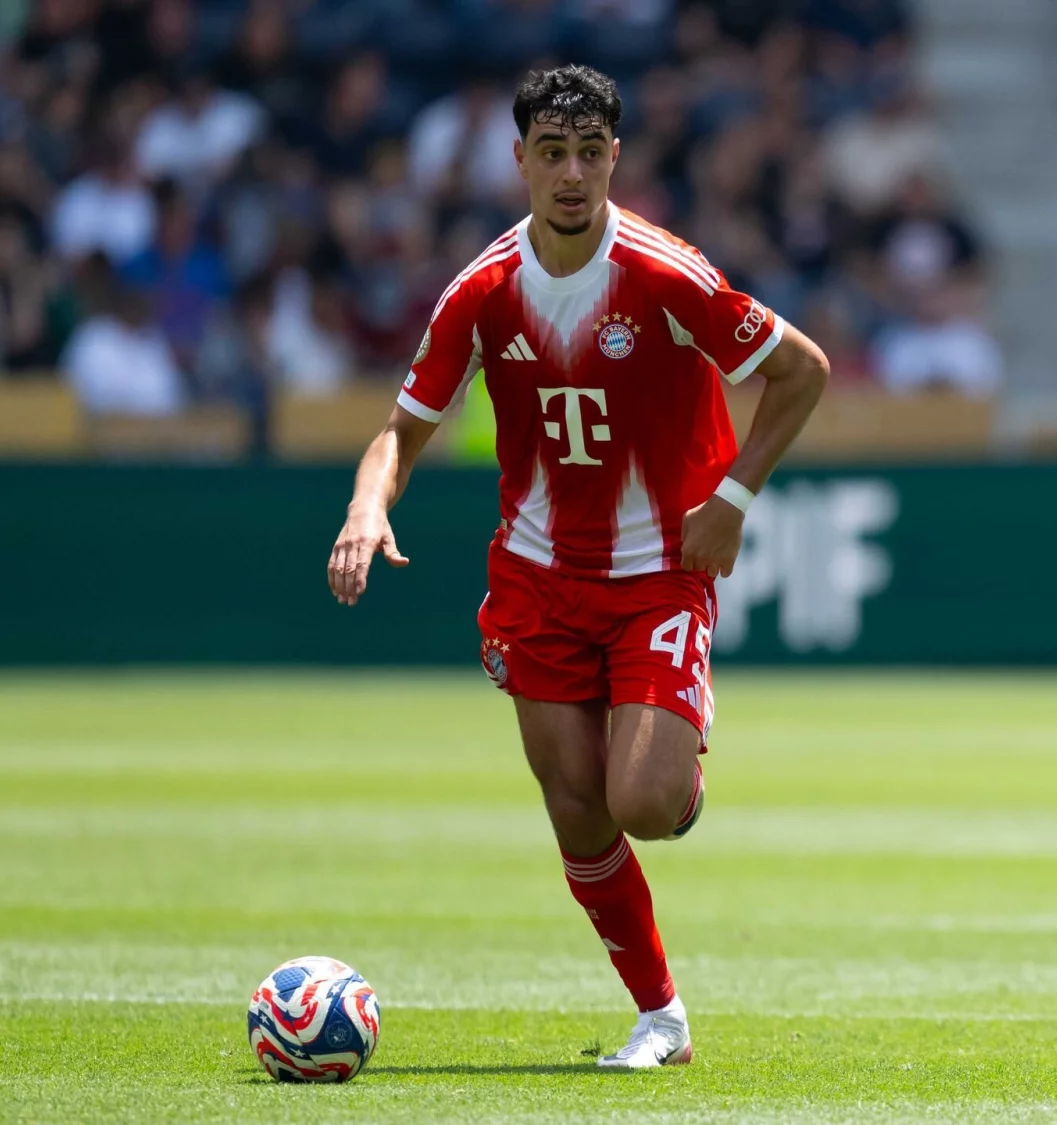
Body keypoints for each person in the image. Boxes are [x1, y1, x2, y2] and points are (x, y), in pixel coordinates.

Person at [325, 65, 827, 1068]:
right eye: (552, 153)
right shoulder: (481, 292)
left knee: (643, 802)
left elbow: (801, 370)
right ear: (519, 160)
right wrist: (364, 507)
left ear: (613, 158)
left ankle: (676, 762)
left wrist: (732, 500)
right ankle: (662, 1019)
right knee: (576, 807)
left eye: (589, 154)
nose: (570, 174)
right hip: (537, 578)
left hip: (657, 571)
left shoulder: (665, 275)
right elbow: (399, 432)